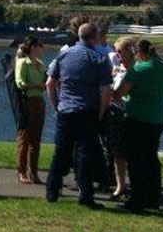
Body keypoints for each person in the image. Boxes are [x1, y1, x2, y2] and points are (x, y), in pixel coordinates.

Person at [44, 22, 112, 209]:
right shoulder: (99, 58)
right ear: (94, 37)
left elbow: (50, 83)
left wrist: (57, 105)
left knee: (61, 151)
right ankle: (85, 195)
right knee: (84, 153)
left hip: (66, 110)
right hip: (87, 110)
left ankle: (52, 190)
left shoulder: (64, 54)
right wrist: (101, 112)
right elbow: (106, 90)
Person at [114, 39, 163, 213]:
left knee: (135, 161)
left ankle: (137, 199)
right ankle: (153, 198)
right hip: (157, 118)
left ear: (138, 53)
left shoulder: (137, 70)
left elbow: (119, 93)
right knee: (151, 159)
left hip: (137, 118)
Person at [102, 35, 133, 200]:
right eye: (116, 51)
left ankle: (135, 185)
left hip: (131, 113)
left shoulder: (135, 69)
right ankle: (120, 185)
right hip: (115, 112)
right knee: (116, 152)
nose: (117, 54)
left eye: (119, 51)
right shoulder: (117, 68)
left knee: (131, 152)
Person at [14, 34, 47, 184]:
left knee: (36, 140)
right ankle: (21, 171)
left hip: (40, 102)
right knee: (25, 138)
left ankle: (33, 171)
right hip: (27, 102)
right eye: (40, 45)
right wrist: (37, 85)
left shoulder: (41, 64)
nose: (43, 48)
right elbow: (20, 83)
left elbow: (46, 82)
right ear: (33, 47)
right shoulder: (22, 63)